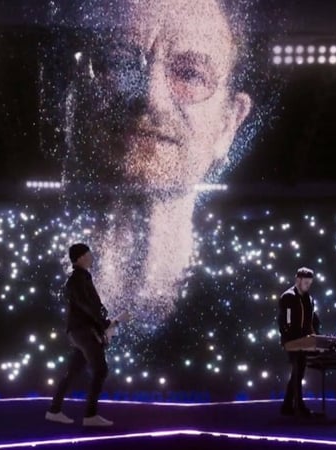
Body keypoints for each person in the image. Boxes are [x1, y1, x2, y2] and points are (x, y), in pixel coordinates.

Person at [47, 0, 266, 325]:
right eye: (119, 62)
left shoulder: (254, 310)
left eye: (191, 74)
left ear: (228, 124)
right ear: (72, 96)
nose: (151, 96)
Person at [45, 243, 128, 426]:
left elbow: (89, 307)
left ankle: (54, 410)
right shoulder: (77, 279)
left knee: (73, 371)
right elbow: (87, 307)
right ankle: (90, 416)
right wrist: (106, 323)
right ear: (81, 257)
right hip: (82, 330)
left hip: (80, 330)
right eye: (89, 253)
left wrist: (106, 324)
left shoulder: (82, 278)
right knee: (100, 369)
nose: (92, 256)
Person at [277, 267, 321, 417]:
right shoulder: (288, 297)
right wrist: (291, 338)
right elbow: (285, 322)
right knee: (298, 371)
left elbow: (312, 319)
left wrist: (316, 335)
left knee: (298, 372)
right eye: (306, 282)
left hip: (305, 340)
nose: (308, 285)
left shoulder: (308, 298)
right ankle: (298, 406)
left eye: (310, 283)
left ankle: (288, 406)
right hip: (293, 341)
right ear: (298, 280)